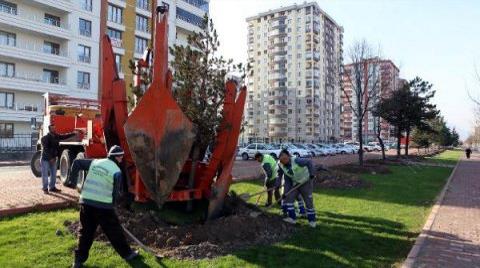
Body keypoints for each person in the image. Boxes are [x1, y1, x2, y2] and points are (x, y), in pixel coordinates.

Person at [67, 145, 139, 268]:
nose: (121, 159)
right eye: (121, 157)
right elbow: (115, 193)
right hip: (103, 207)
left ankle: (78, 261)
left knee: (85, 232)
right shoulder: (116, 171)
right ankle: (128, 254)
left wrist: (72, 182)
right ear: (118, 157)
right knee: (115, 232)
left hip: (86, 202)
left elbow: (77, 163)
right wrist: (113, 205)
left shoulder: (96, 162)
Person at [277, 149, 317, 228]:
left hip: (306, 182)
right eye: (282, 160)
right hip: (295, 183)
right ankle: (292, 218)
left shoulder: (297, 160)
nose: (284, 161)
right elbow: (287, 179)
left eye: (285, 159)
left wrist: (312, 174)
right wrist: (285, 192)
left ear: (289, 156)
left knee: (308, 202)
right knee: (289, 198)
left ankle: (312, 221)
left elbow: (309, 162)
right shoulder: (280, 165)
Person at [40, 124, 77, 194]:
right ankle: (45, 189)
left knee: (53, 174)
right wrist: (50, 158)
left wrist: (74, 133)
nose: (54, 129)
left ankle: (52, 187)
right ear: (50, 130)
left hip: (53, 159)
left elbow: (64, 136)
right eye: (52, 128)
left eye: (54, 128)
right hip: (45, 159)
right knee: (45, 174)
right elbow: (46, 149)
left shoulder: (56, 136)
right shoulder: (45, 138)